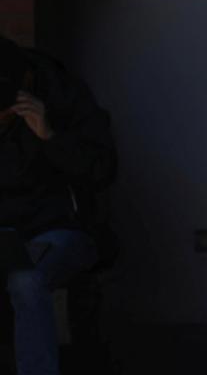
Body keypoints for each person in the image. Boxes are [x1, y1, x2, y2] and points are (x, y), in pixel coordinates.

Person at [0, 35, 116, 375]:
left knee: (27, 281)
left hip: (57, 230)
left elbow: (102, 169)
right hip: (6, 232)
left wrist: (49, 137)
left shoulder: (61, 96)